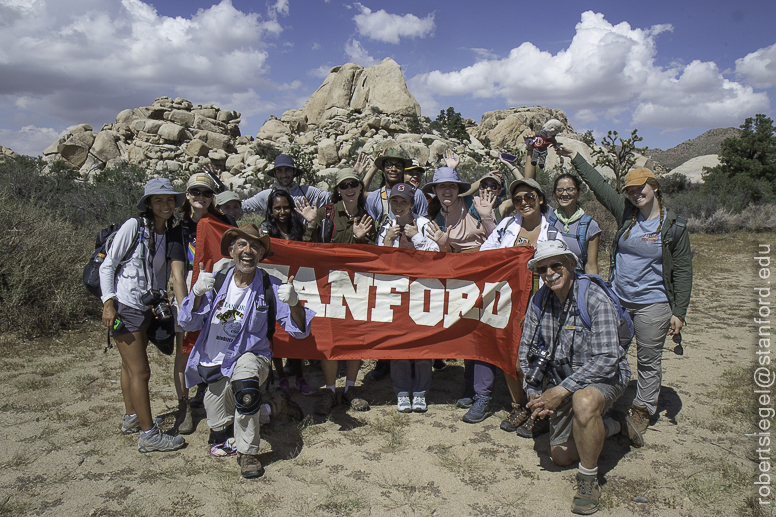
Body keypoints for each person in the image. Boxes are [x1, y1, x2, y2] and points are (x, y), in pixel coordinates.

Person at [558, 146, 693, 437]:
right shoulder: (626, 213)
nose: (635, 194)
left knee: (648, 358)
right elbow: (599, 185)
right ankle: (602, 400)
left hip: (653, 303)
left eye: (640, 188)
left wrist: (679, 311)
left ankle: (642, 409)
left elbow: (683, 270)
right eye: (630, 190)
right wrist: (575, 156)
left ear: (654, 187)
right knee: (609, 352)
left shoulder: (673, 227)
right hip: (617, 299)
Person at [177, 224, 314, 479]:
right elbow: (188, 322)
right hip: (216, 363)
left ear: (261, 254)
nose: (248, 251)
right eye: (242, 244)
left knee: (246, 388)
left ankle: (248, 453)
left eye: (255, 246)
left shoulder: (269, 285)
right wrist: (196, 294)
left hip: (253, 357)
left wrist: (295, 303)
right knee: (220, 425)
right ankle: (275, 406)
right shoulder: (216, 282)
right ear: (231, 250)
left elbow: (299, 329)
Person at [520, 239, 642, 515]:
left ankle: (588, 481)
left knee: (584, 401)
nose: (549, 273)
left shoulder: (594, 298)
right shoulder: (539, 300)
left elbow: (608, 359)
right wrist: (534, 392)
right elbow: (525, 351)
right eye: (542, 269)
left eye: (556, 265)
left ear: (571, 265)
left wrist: (561, 390)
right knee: (560, 456)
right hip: (563, 380)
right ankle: (614, 426)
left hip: (605, 376)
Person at [99, 178, 187, 453]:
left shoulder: (166, 233)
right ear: (148, 203)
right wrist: (108, 303)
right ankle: (149, 436)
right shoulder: (133, 227)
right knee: (141, 371)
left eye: (170, 200)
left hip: (146, 307)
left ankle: (132, 418)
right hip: (126, 307)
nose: (165, 205)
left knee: (128, 367)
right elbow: (108, 265)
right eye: (158, 200)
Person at [463, 177, 551, 435]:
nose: (524, 203)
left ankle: (540, 410)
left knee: (537, 360)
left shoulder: (553, 229)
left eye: (529, 197)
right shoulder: (507, 226)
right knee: (510, 357)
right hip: (507, 301)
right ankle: (519, 406)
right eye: (518, 199)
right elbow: (488, 255)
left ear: (540, 199)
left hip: (540, 302)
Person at [297, 168, 375, 415]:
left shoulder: (367, 216)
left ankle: (350, 388)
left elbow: (375, 256)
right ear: (337, 190)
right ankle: (330, 391)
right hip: (328, 286)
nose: (349, 189)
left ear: (360, 188)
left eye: (354, 184)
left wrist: (361, 239)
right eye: (344, 185)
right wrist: (311, 224)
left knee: (355, 336)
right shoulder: (326, 213)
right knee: (328, 337)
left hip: (357, 285)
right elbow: (307, 248)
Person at [172, 173, 234, 435]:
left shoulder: (222, 224)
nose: (201, 197)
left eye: (206, 193)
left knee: (215, 347)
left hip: (217, 293)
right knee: (184, 350)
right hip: (188, 289)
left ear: (212, 197)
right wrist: (185, 305)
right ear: (187, 195)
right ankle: (183, 406)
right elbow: (176, 272)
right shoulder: (178, 230)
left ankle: (212, 398)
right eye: (195, 192)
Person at [376, 183, 439, 413]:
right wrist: (386, 243)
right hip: (397, 294)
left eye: (403, 202)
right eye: (395, 201)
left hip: (423, 292)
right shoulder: (386, 226)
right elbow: (379, 263)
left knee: (423, 343)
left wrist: (417, 239)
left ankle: (421, 391)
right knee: (399, 342)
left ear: (412, 203)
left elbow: (436, 258)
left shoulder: (423, 225)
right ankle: (402, 391)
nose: (399, 206)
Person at [260, 189, 315, 395]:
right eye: (277, 208)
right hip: (273, 285)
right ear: (270, 209)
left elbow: (309, 249)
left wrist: (310, 224)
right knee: (274, 330)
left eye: (285, 207)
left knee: (297, 328)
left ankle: (300, 376)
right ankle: (281, 377)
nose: (282, 211)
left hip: (297, 283)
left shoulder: (297, 227)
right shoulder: (265, 229)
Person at [422, 167, 498, 253]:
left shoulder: (476, 204)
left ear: (458, 189)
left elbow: (496, 239)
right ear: (434, 190)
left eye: (452, 185)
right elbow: (448, 254)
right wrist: (443, 245)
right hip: (460, 263)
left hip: (485, 259)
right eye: (442, 185)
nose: (447, 189)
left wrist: (486, 218)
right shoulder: (438, 222)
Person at [241, 154, 330, 215]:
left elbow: (331, 198)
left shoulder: (307, 192)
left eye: (287, 170)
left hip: (300, 240)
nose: (284, 175)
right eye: (279, 171)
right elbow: (242, 206)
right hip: (277, 242)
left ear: (294, 172)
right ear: (275, 173)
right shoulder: (267, 195)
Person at [364, 148, 428, 225]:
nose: (393, 169)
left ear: (403, 169)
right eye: (388, 165)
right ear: (383, 169)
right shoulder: (374, 197)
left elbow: (425, 224)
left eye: (398, 166)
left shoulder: (416, 194)